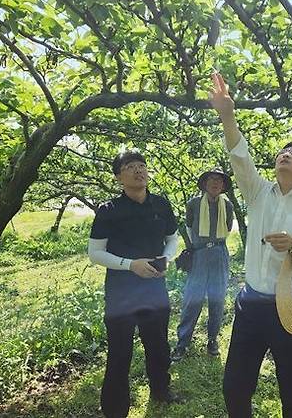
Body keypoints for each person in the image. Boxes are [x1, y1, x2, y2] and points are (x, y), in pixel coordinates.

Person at [209, 73, 292, 418]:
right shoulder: (258, 191)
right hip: (251, 303)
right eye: (282, 152)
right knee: (234, 386)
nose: (285, 155)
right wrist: (227, 115)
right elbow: (240, 156)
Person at [88, 150, 182, 416]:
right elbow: (95, 253)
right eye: (130, 167)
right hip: (121, 294)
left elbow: (172, 237)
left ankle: (161, 391)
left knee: (158, 345)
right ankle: (115, 409)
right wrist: (131, 265)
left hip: (154, 288)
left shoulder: (161, 204)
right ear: (119, 176)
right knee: (120, 352)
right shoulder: (109, 210)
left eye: (142, 165)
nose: (139, 170)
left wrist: (167, 257)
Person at [172, 169, 234, 361]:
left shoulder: (228, 205)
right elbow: (189, 227)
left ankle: (212, 339)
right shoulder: (194, 203)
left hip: (219, 253)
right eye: (211, 179)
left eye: (219, 180)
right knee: (193, 298)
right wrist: (199, 246)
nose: (215, 183)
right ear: (205, 184)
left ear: (223, 186)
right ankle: (182, 343)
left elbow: (228, 228)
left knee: (217, 298)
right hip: (199, 254)